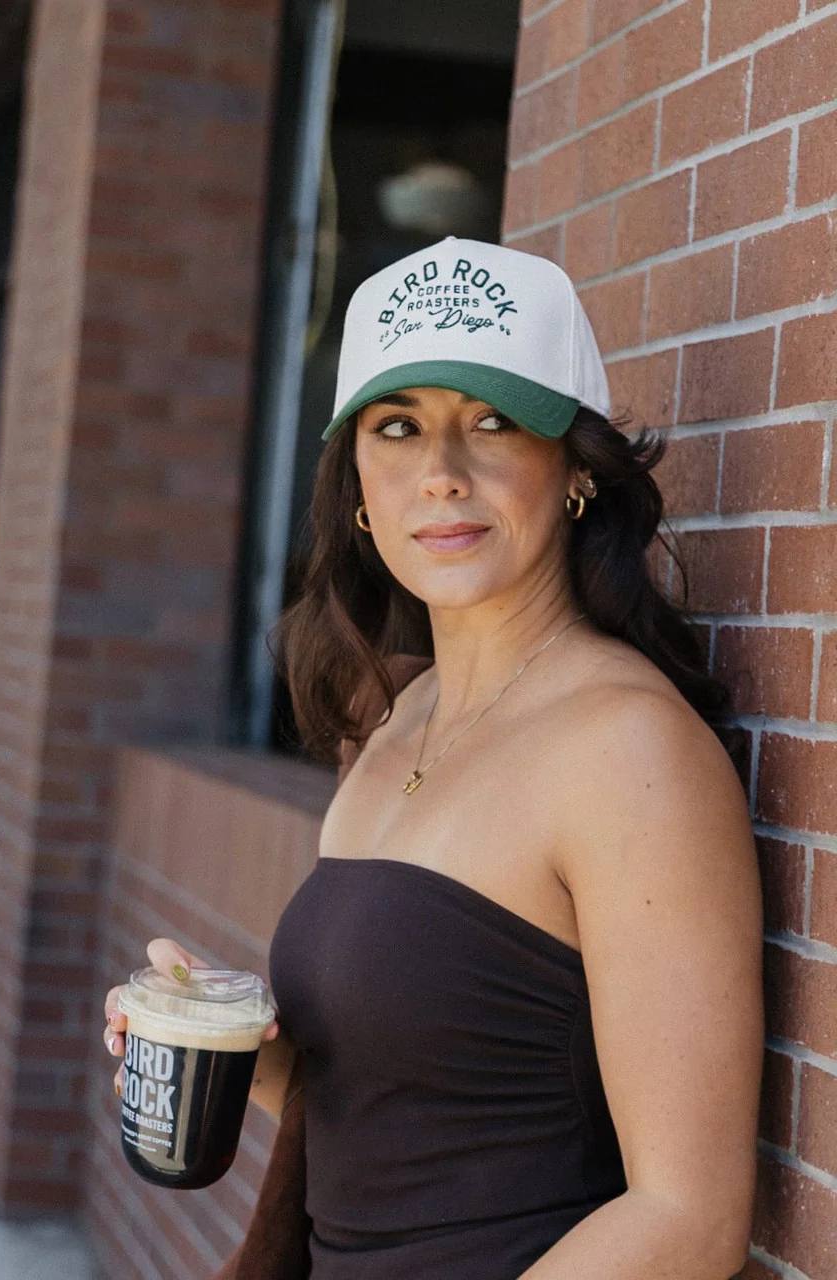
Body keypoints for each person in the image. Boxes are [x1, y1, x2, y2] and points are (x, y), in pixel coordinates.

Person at [104, 236, 764, 1279]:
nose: (442, 477)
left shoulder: (629, 751)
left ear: (576, 469)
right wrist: (224, 1044)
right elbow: (412, 1108)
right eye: (398, 427)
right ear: (360, 488)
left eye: (492, 422)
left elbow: (688, 1217)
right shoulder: (396, 716)